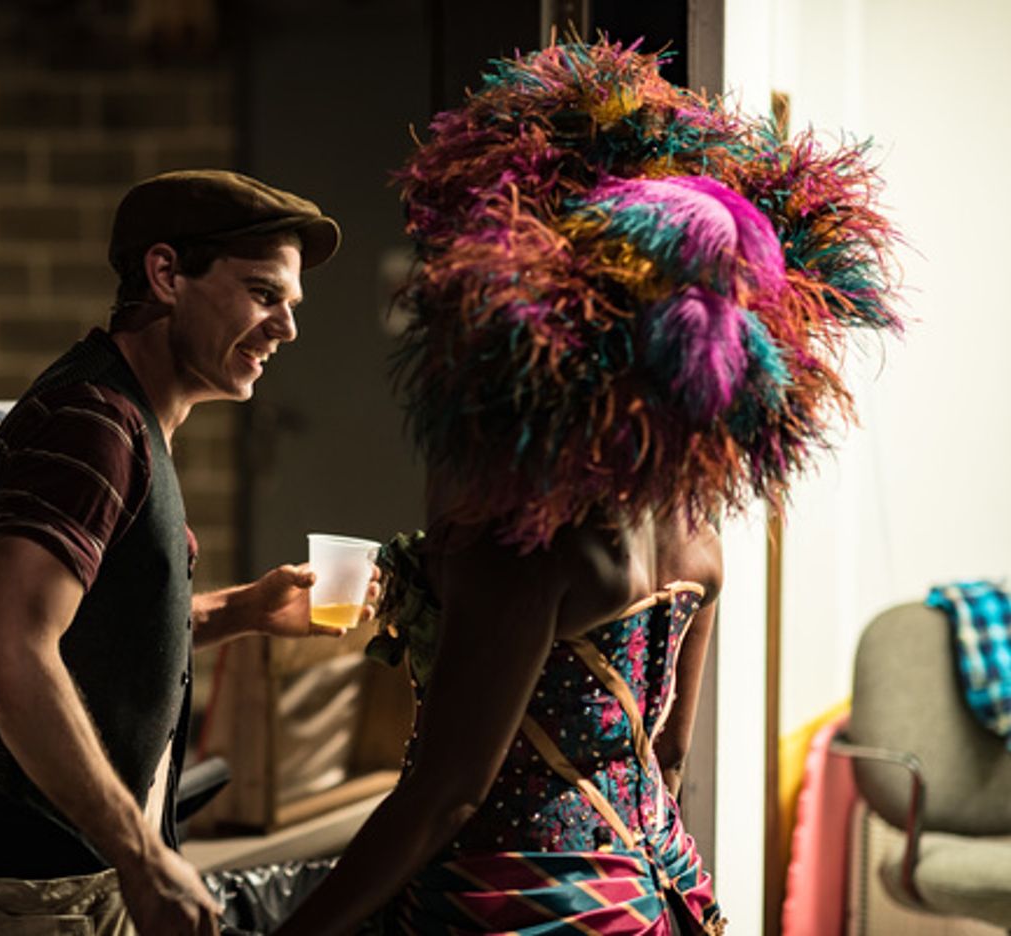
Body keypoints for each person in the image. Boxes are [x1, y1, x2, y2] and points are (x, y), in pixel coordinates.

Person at [275, 39, 901, 935]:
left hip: (515, 905)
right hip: (656, 888)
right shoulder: (697, 535)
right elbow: (669, 754)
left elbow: (446, 798)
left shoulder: (525, 548)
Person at [0, 169, 369, 935]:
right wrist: (141, 854)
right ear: (166, 275)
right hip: (19, 893)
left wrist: (242, 611)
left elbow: (89, 634)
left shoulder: (128, 419)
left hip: (63, 880)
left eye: (291, 305)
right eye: (264, 294)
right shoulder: (91, 427)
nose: (286, 328)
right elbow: (9, 653)